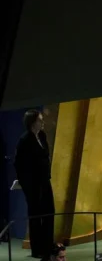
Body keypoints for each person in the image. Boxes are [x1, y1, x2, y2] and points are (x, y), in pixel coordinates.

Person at [15, 110, 54, 259]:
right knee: (36, 215)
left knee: (49, 211)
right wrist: (26, 184)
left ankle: (48, 245)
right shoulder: (24, 140)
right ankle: (37, 249)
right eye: (40, 120)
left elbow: (45, 155)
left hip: (45, 181)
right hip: (32, 185)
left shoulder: (42, 136)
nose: (42, 122)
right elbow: (18, 164)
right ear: (32, 122)